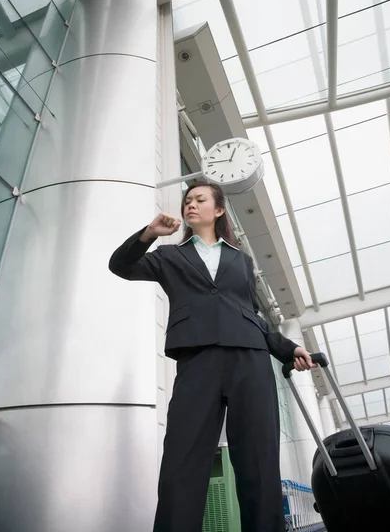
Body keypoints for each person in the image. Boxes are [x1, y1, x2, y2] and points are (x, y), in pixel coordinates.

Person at [109, 180, 316, 532]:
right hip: (197, 359)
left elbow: (254, 314)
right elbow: (121, 266)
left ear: (218, 210)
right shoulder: (169, 256)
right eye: (187, 200)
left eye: (199, 199)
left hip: (249, 359)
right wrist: (149, 233)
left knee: (259, 462)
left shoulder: (242, 260)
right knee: (181, 460)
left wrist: (288, 348)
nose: (190, 204)